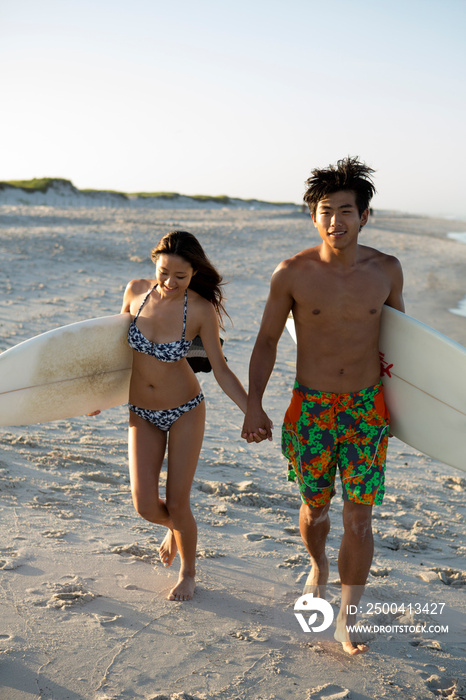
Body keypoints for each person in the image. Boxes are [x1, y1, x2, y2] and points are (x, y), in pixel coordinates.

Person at [241, 157, 404, 654]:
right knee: (316, 510)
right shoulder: (292, 273)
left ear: (365, 216)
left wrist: (408, 413)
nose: (336, 221)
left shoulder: (387, 271)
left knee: (360, 519)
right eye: (326, 211)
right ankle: (317, 564)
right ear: (313, 216)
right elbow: (267, 340)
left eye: (347, 211)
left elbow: (402, 348)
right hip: (309, 408)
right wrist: (254, 405)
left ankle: (347, 618)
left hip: (366, 411)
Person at [120, 230, 254, 602]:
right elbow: (112, 352)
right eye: (164, 272)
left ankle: (189, 572)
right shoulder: (135, 292)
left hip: (185, 411)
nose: (169, 282)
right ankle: (175, 529)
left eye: (180, 276)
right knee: (145, 504)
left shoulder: (198, 309)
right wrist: (93, 394)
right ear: (154, 263)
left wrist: (251, 411)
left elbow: (221, 369)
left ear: (194, 273)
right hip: (141, 412)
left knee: (178, 503)